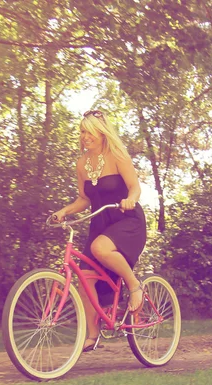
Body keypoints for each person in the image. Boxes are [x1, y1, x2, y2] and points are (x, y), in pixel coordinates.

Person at [52, 109, 147, 352]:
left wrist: (131, 200)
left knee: (99, 248)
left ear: (102, 132)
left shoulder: (117, 155)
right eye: (83, 131)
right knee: (85, 279)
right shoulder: (82, 163)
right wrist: (64, 211)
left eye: (90, 131)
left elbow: (135, 187)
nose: (85, 136)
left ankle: (134, 285)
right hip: (100, 224)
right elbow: (84, 199)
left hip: (127, 220)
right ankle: (92, 335)